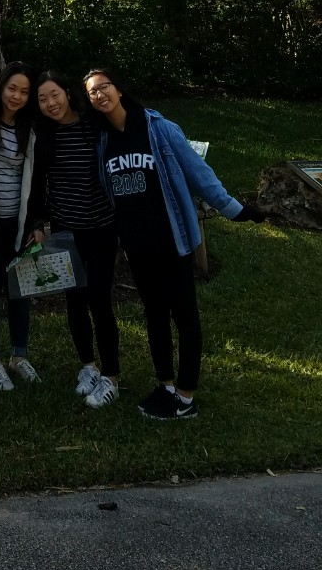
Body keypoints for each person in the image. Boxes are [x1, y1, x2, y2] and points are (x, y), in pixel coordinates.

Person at [83, 67, 264, 420]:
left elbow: (198, 173)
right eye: (92, 92)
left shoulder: (159, 129)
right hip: (137, 246)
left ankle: (186, 396)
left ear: (119, 89)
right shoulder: (104, 141)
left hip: (173, 240)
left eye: (104, 87)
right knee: (154, 316)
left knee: (184, 317)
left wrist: (234, 209)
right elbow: (110, 191)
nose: (100, 95)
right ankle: (166, 386)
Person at [33, 70, 120, 409]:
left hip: (101, 227)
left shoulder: (94, 125)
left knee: (100, 300)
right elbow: (38, 184)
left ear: (68, 93)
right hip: (66, 230)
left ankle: (111, 375)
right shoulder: (45, 135)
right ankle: (88, 366)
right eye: (42, 99)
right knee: (75, 300)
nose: (50, 103)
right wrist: (39, 223)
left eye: (54, 94)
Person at [0, 61, 42, 391]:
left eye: (24, 92)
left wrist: (37, 224)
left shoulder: (31, 128)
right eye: (12, 88)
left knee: (19, 289)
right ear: (1, 86)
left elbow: (38, 182)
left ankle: (19, 356)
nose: (16, 96)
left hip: (19, 223)